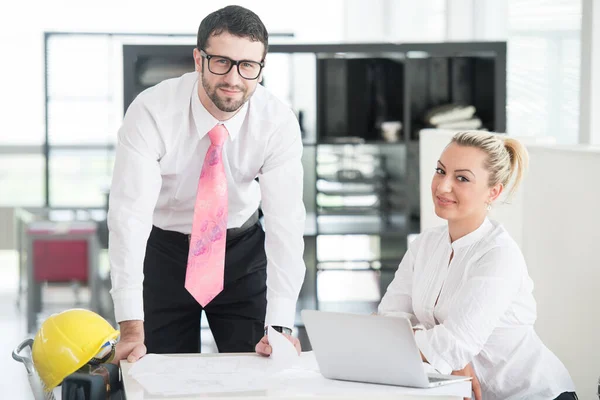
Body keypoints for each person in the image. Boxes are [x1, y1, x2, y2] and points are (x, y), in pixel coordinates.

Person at [107, 5, 305, 363]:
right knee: (155, 376)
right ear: (198, 59)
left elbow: (285, 223)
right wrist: (130, 323)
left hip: (240, 254)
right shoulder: (151, 112)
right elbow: (128, 217)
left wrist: (280, 326)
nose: (234, 78)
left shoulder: (277, 122)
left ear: (261, 68)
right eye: (221, 62)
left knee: (258, 372)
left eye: (248, 66)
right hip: (164, 254)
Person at [378, 131, 576, 400]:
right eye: (440, 171)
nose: (442, 186)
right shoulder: (425, 244)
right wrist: (445, 352)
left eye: (462, 178)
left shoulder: (499, 255)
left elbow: (453, 346)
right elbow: (388, 320)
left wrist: (445, 352)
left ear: (493, 192)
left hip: (533, 395)